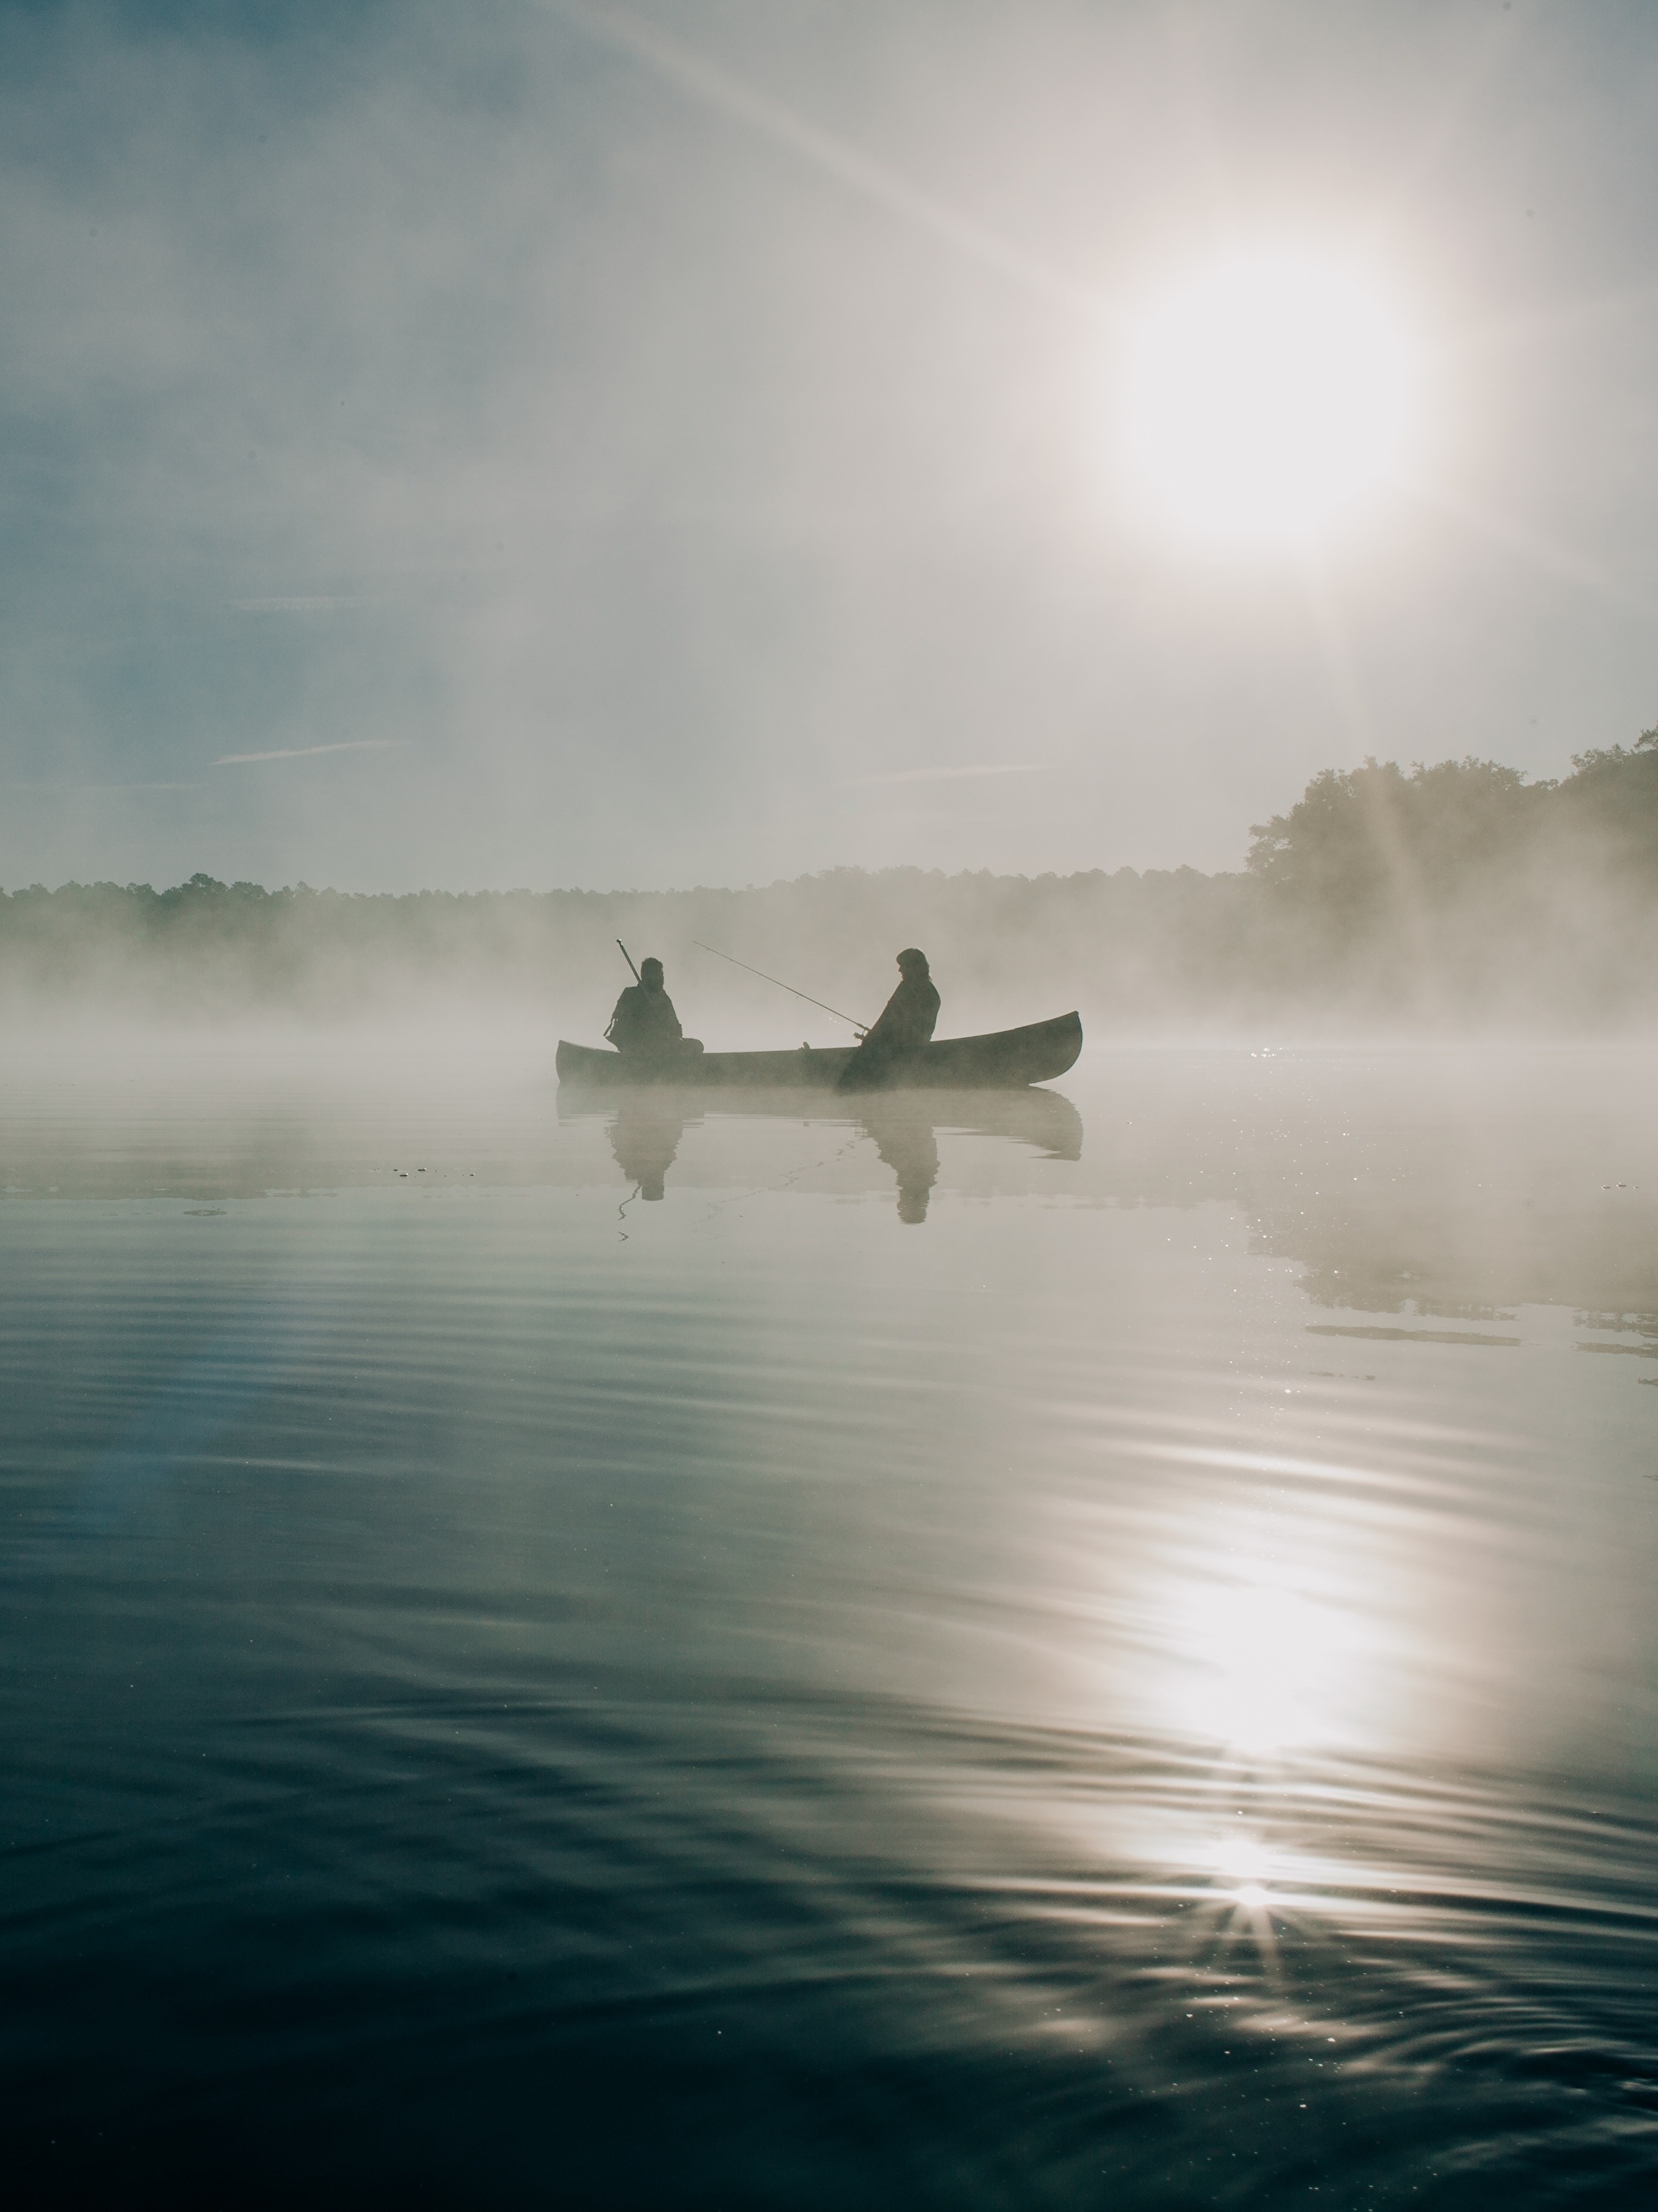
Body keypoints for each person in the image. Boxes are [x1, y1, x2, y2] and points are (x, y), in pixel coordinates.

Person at [836, 947, 939, 1091]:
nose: (900, 970)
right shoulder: (932, 992)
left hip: (891, 1054)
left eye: (903, 966)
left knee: (847, 1086)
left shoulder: (908, 987)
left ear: (913, 966)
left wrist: (870, 1039)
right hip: (913, 1050)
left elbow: (888, 1020)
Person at [606, 957, 704, 1061]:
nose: (661, 978)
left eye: (661, 974)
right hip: (636, 1045)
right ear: (646, 976)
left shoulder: (663, 998)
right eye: (657, 974)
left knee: (697, 1045)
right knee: (657, 1046)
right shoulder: (631, 994)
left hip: (663, 1044)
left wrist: (675, 1037)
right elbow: (620, 1024)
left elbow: (674, 1025)